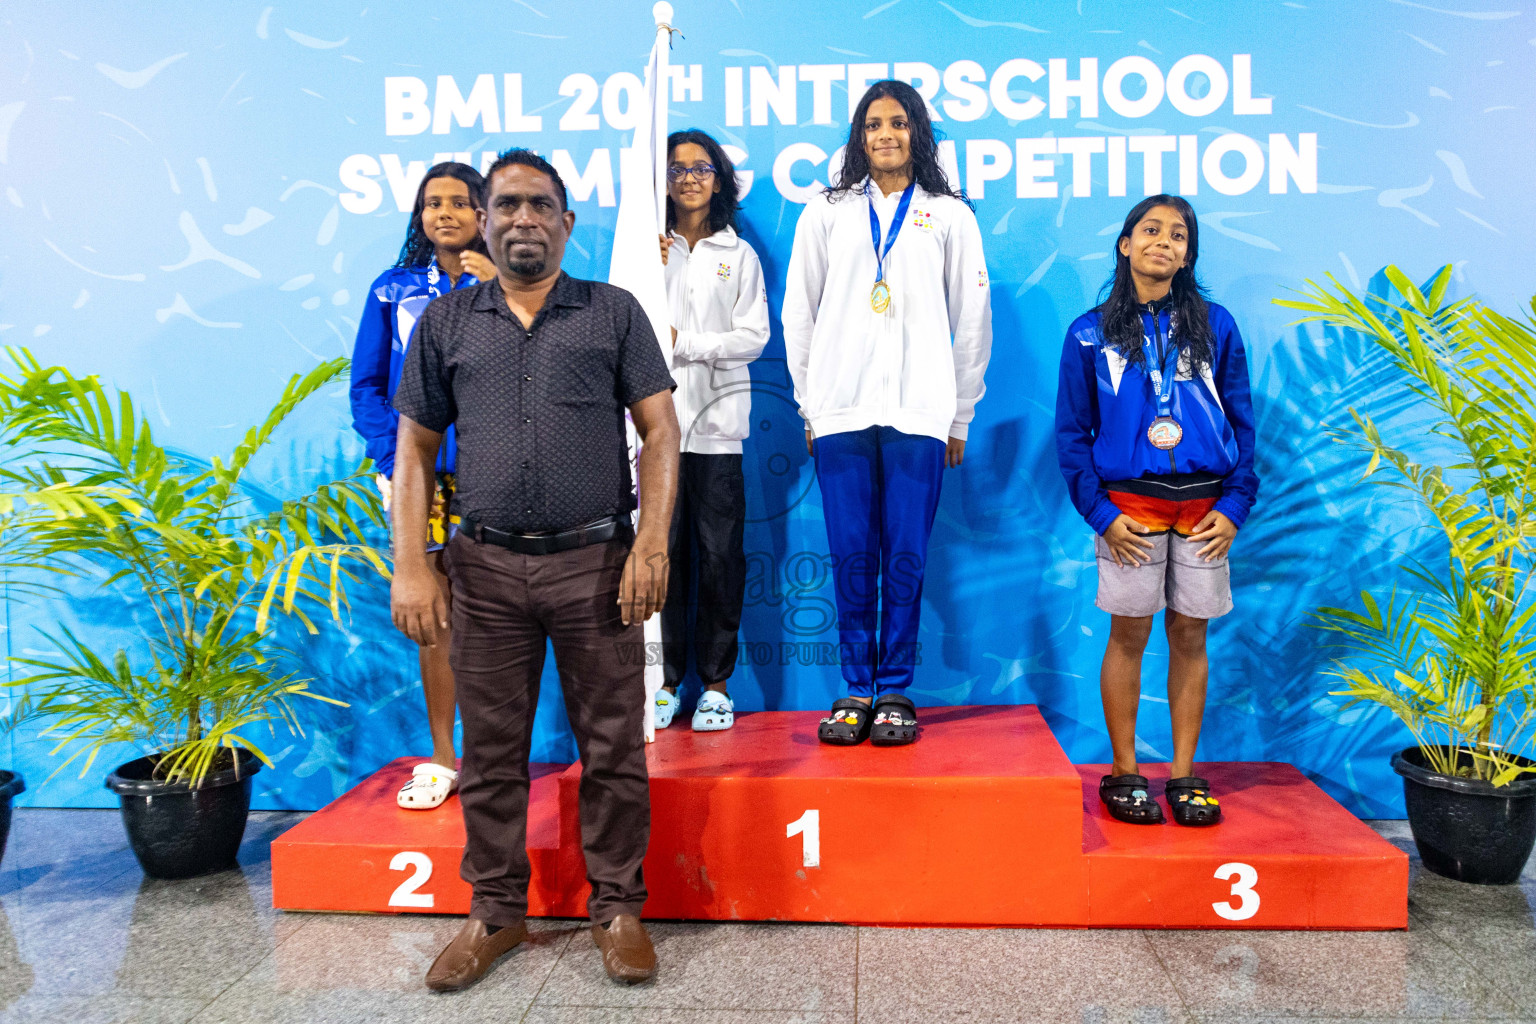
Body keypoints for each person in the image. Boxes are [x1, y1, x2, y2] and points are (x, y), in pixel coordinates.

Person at [390, 149, 680, 989]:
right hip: (481, 570)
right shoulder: (445, 323)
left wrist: (651, 545)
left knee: (615, 749)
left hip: (597, 563)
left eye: (540, 205)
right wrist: (413, 564)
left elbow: (661, 433)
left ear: (566, 221)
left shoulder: (613, 313)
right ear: (483, 219)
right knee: (490, 754)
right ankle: (495, 914)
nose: (523, 218)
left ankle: (619, 908)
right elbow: (414, 451)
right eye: (507, 204)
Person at [783, 81, 992, 747]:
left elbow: (972, 317)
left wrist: (959, 414)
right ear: (858, 134)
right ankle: (853, 689)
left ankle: (895, 688)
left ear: (917, 133)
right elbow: (799, 313)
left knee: (905, 552)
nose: (886, 135)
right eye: (873, 124)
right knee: (850, 553)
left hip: (921, 410)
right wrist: (809, 405)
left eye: (899, 123)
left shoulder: (949, 214)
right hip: (841, 408)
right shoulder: (827, 211)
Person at [1054, 194, 1259, 827]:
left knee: (1191, 635)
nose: (1163, 242)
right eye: (1150, 230)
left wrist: (1236, 503)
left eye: (1178, 235)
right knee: (1129, 635)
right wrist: (1101, 516)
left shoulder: (1216, 325)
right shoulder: (1088, 333)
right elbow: (1071, 434)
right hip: (1129, 515)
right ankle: (1123, 771)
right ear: (1125, 244)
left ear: (1189, 253)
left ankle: (1184, 774)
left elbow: (1244, 423)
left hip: (1204, 512)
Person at [350, 161, 494, 811]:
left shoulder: (510, 285)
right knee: (436, 617)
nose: (445, 213)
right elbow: (367, 387)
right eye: (432, 203)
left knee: (498, 616)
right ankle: (442, 758)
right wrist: (394, 461)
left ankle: (495, 756)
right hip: (421, 483)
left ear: (483, 214)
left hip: (497, 476)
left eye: (460, 203)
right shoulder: (392, 289)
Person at [654, 129, 769, 734]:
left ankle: (717, 685)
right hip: (655, 435)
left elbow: (753, 340)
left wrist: (688, 345)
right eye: (676, 169)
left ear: (719, 179)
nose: (689, 178)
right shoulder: (650, 250)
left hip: (720, 430)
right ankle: (665, 681)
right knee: (663, 556)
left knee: (721, 558)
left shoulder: (738, 254)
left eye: (701, 167)